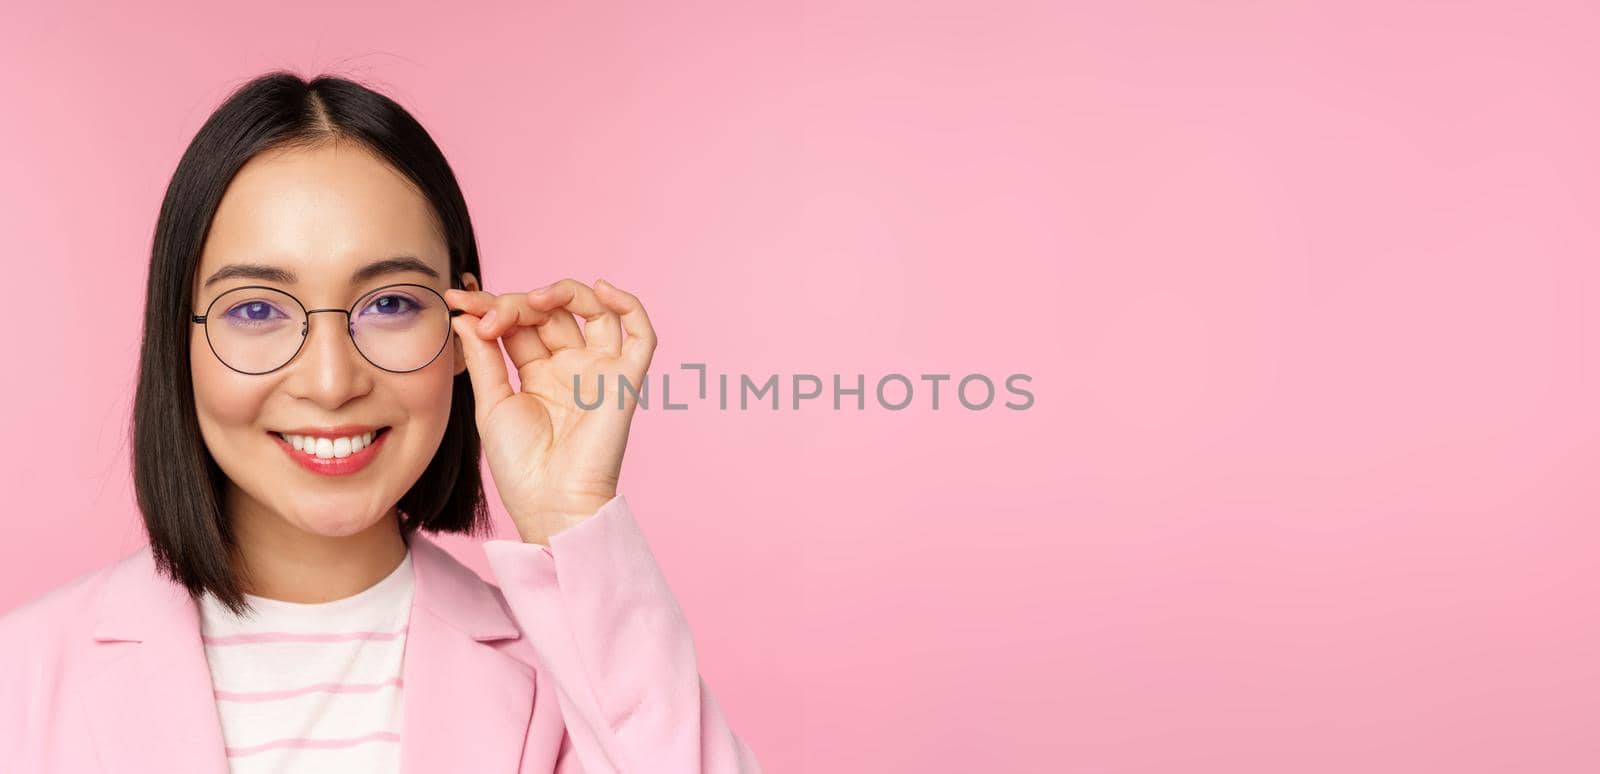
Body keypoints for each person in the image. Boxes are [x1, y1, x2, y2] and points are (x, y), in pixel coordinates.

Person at [0, 70, 762, 773]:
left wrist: (571, 516)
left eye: (391, 304)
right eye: (257, 309)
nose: (332, 383)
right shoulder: (23, 675)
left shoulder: (581, 673)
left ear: (467, 328)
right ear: (179, 337)